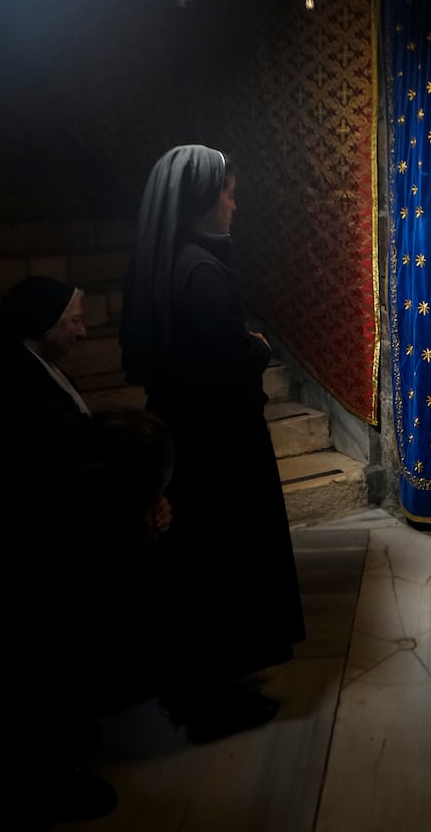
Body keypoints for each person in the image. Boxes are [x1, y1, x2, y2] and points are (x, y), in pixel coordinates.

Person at [0, 275, 174, 825]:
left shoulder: (29, 365)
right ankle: (51, 780)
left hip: (52, 546)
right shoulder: (12, 385)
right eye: (74, 317)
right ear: (42, 323)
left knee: (61, 673)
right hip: (32, 561)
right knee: (43, 671)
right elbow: (55, 480)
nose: (83, 325)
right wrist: (134, 514)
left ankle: (64, 747)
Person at [120, 143, 306, 744]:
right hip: (216, 449)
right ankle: (209, 701)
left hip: (196, 438)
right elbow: (229, 357)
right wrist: (257, 346)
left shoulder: (177, 259)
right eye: (227, 191)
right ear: (201, 199)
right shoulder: (199, 270)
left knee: (206, 567)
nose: (234, 202)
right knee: (220, 565)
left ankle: (208, 681)